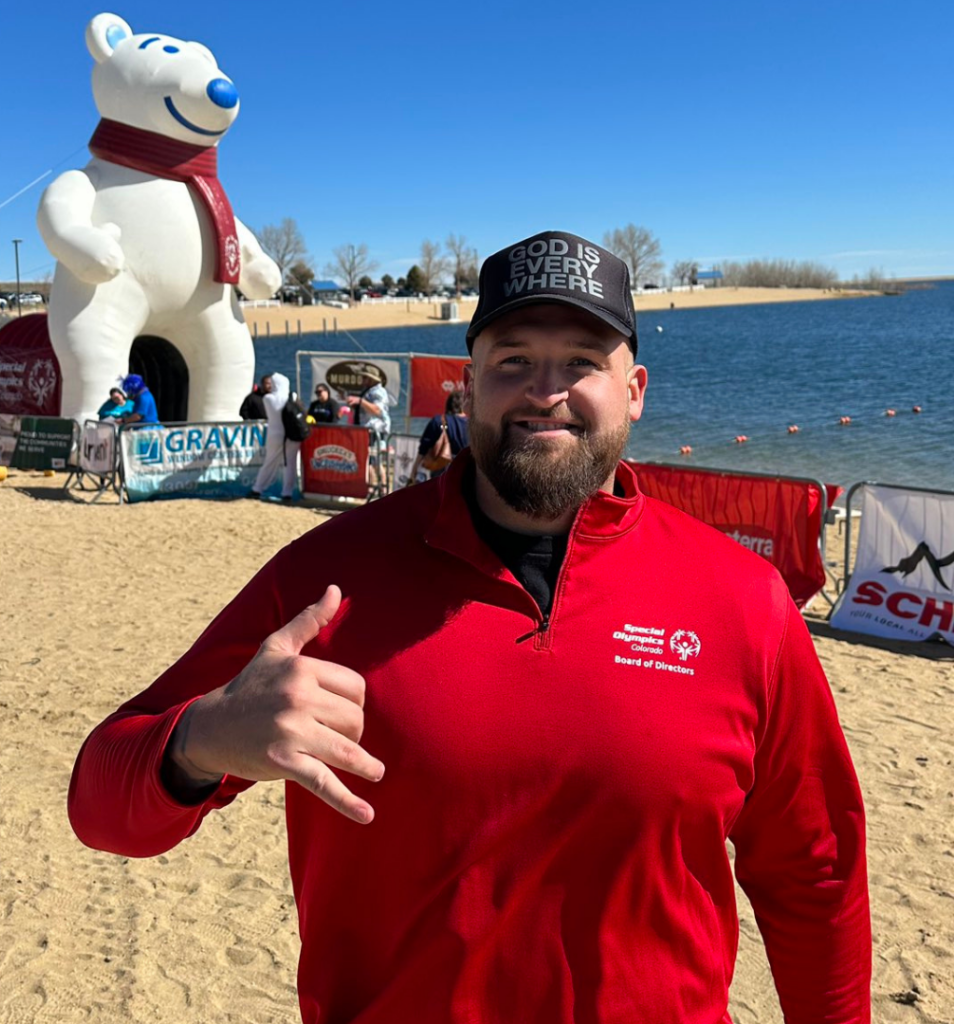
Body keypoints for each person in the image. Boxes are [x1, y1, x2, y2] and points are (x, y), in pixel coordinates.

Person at [68, 230, 870, 1023]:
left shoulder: (739, 599)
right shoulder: (329, 582)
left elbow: (818, 873)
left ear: (635, 391)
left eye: (583, 362)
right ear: (469, 385)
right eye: (513, 360)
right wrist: (202, 739)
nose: (544, 389)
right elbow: (101, 805)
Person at [248, 371, 300, 501]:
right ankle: (287, 493)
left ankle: (257, 489)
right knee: (290, 464)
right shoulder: (292, 396)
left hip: (275, 434)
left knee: (269, 462)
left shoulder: (268, 398)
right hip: (292, 433)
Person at [409, 389, 469, 481]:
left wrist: (415, 468)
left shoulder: (439, 421)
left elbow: (423, 448)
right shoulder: (472, 424)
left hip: (442, 470)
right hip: (466, 471)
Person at [346, 366, 390, 489]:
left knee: (375, 461)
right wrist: (356, 405)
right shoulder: (368, 390)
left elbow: (377, 410)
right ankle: (372, 487)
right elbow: (367, 410)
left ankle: (382, 487)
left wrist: (360, 401)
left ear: (371, 378)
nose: (362, 380)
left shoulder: (378, 392)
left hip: (374, 431)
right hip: (366, 431)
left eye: (364, 377)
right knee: (369, 461)